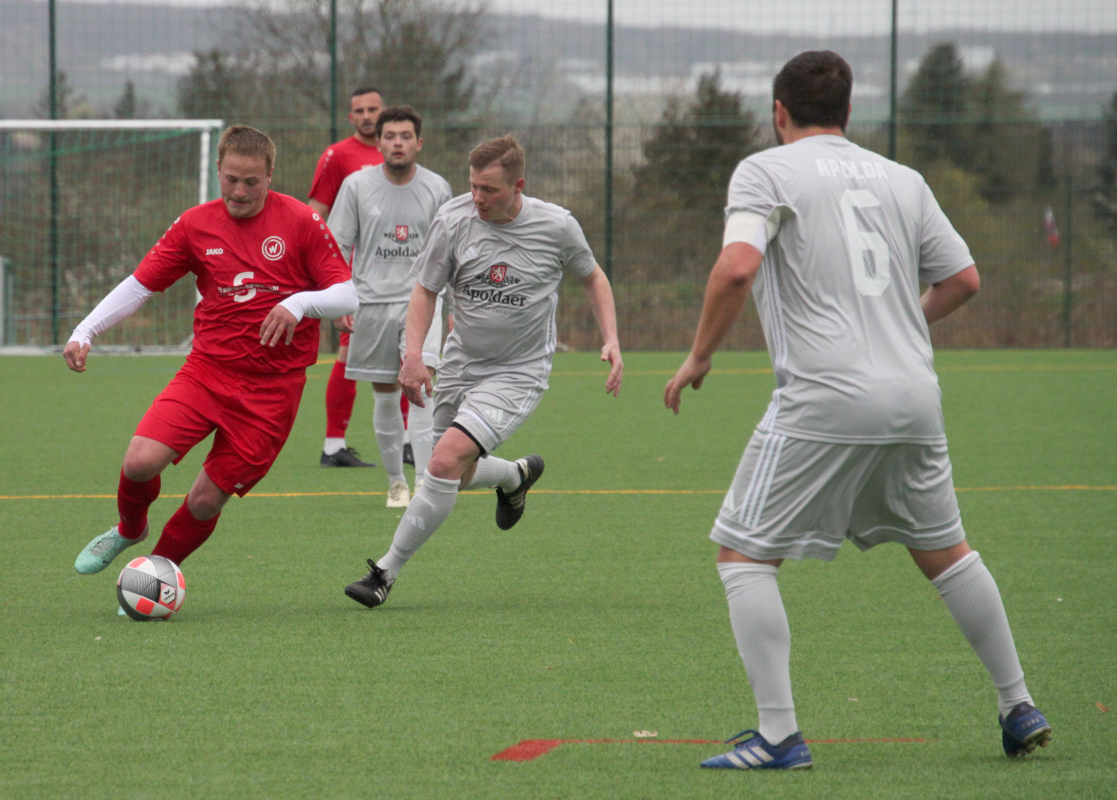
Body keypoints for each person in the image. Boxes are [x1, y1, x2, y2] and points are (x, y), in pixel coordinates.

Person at [664, 50, 1050, 770]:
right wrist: (895, 329)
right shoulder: (901, 179)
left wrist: (700, 356)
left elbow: (738, 266)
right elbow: (964, 278)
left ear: (779, 113)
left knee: (743, 555)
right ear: (847, 114)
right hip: (914, 396)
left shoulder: (766, 169)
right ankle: (1018, 703)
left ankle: (779, 736)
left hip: (823, 397)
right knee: (945, 553)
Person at [66, 124, 358, 582]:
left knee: (204, 500)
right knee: (139, 462)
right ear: (218, 170)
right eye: (231, 179)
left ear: (270, 175)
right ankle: (130, 528)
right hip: (207, 371)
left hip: (272, 392)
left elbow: (348, 294)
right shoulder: (195, 223)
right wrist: (87, 329)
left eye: (251, 181)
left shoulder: (301, 221)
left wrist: (298, 303)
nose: (239, 191)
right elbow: (141, 285)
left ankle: (153, 574)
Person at [344, 134, 623, 608]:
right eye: (473, 186)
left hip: (518, 370)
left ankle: (384, 573)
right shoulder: (453, 219)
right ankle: (513, 477)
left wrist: (612, 339)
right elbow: (425, 289)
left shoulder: (556, 226)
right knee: (453, 468)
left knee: (443, 461)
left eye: (489, 190)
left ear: (518, 185)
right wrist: (414, 353)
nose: (477, 199)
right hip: (459, 362)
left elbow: (592, 276)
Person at [325, 105, 453, 508]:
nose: (398, 142)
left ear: (419, 142)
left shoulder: (438, 188)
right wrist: (339, 296)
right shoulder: (356, 186)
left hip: (423, 301)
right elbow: (337, 245)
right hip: (372, 305)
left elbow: (452, 252)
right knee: (384, 395)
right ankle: (397, 483)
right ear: (377, 142)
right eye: (390, 136)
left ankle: (425, 485)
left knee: (421, 387)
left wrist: (454, 308)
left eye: (405, 136)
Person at [308, 86, 386, 468]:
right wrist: (326, 274)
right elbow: (315, 214)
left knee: (406, 350)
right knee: (349, 350)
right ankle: (333, 445)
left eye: (374, 108)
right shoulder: (338, 155)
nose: (368, 115)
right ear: (350, 117)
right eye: (360, 110)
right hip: (354, 274)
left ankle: (405, 440)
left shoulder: (397, 153)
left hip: (399, 272)